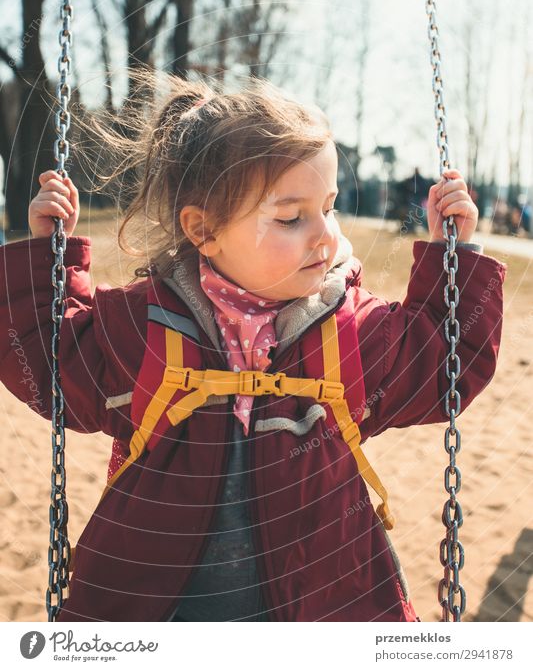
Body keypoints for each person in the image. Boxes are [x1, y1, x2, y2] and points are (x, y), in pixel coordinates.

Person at [0, 73, 507, 622]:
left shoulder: (350, 331)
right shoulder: (146, 327)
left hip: (321, 611)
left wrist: (455, 255)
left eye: (330, 207)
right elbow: (52, 364)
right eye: (291, 217)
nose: (324, 235)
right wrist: (47, 258)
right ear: (204, 229)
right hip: (160, 612)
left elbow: (442, 364)